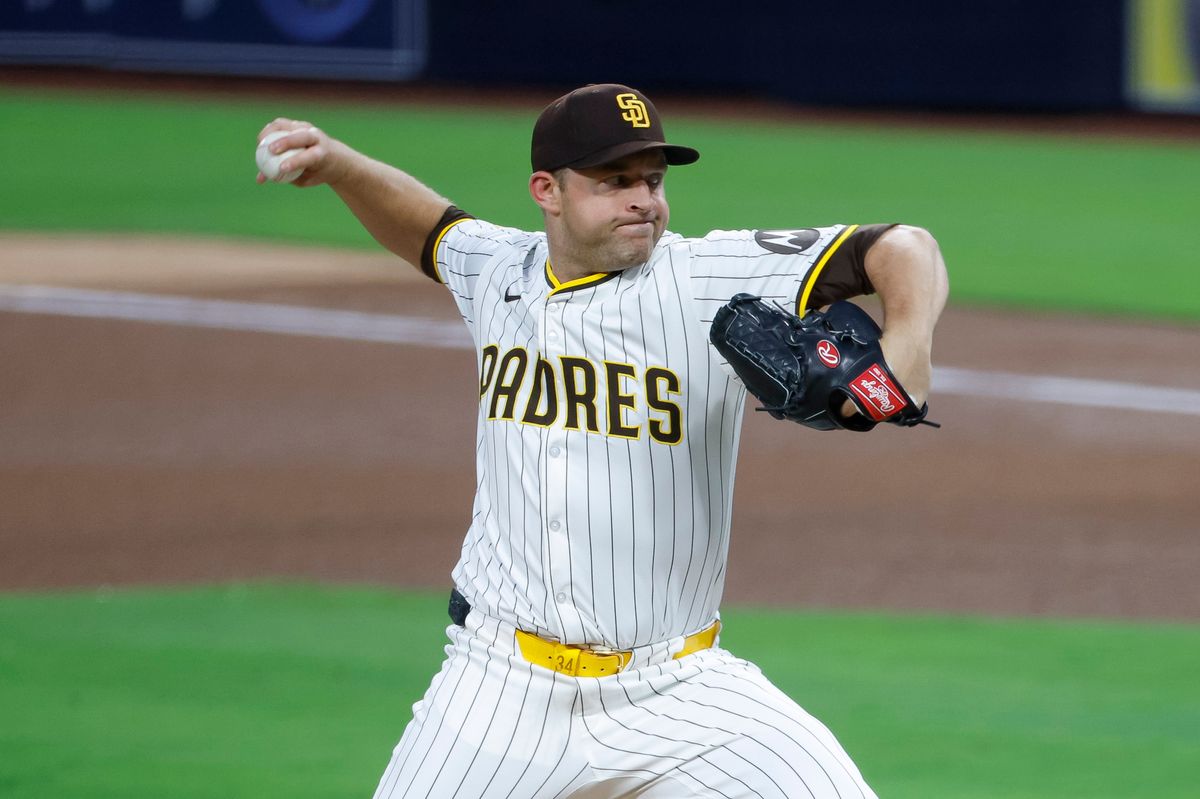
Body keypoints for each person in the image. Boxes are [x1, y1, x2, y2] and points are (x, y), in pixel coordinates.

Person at [257, 83, 948, 798]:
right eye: (614, 181)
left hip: (679, 688)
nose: (642, 199)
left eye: (651, 179)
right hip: (500, 687)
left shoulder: (709, 275)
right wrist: (338, 164)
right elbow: (430, 229)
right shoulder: (499, 271)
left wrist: (905, 358)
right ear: (547, 191)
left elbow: (902, 247)